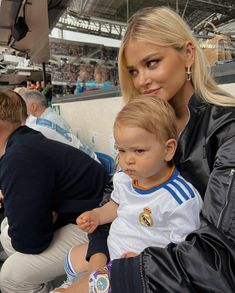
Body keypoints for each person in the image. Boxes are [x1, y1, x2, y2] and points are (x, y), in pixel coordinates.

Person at [65, 6, 235, 293]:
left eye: (152, 63)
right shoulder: (144, 123)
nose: (141, 80)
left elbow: (218, 259)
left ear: (188, 54)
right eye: (133, 71)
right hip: (127, 256)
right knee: (69, 267)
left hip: (171, 275)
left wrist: (115, 277)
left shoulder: (226, 130)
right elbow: (117, 197)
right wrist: (98, 258)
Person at [51, 96, 203, 293]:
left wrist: (149, 261)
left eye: (139, 151)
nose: (127, 160)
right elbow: (115, 205)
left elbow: (183, 252)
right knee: (70, 260)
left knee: (81, 288)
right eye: (121, 150)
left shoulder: (180, 199)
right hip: (112, 249)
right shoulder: (124, 178)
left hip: (137, 270)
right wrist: (97, 215)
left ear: (168, 149)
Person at [0, 88, 109, 293]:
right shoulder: (24, 142)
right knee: (7, 233)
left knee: (11, 277)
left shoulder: (19, 155)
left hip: (99, 223)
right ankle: (47, 282)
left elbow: (31, 242)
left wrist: (37, 222)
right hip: (82, 214)